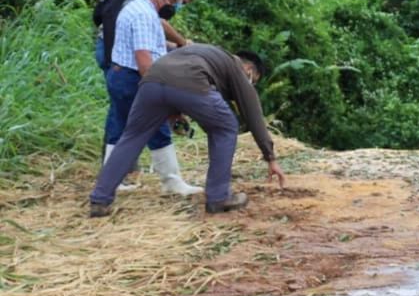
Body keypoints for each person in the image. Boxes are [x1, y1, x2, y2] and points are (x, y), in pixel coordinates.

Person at [89, 44, 286, 216]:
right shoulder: (235, 66)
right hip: (188, 80)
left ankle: (100, 199)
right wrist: (270, 156)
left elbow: (174, 82)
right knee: (226, 127)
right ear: (249, 69)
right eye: (253, 80)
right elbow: (252, 114)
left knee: (132, 136)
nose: (250, 83)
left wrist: (174, 114)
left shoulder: (205, 54)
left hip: (151, 80)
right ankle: (218, 197)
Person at [103, 0, 202, 196]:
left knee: (119, 129)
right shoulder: (143, 15)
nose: (173, 6)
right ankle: (171, 181)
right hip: (132, 78)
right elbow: (144, 61)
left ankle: (111, 182)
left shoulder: (141, 9)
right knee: (156, 127)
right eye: (172, 0)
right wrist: (160, 93)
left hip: (122, 75)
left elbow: (153, 46)